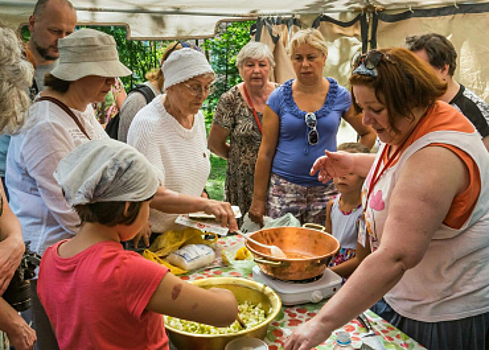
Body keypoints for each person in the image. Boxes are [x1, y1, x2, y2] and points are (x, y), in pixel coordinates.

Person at [285, 47, 489, 350]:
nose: (366, 120)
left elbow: (396, 257)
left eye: (376, 109)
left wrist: (322, 323)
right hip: (408, 300)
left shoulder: (437, 156)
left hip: (441, 314)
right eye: (361, 107)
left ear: (412, 98)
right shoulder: (419, 120)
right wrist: (354, 163)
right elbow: (402, 168)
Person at [37, 139, 238, 350]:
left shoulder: (50, 259)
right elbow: (225, 313)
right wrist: (220, 291)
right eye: (147, 204)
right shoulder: (127, 271)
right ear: (127, 208)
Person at [7, 28, 132, 350]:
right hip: (53, 259)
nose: (111, 84)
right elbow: (68, 208)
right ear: (78, 75)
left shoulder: (82, 108)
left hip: (83, 247)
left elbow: (112, 163)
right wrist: (118, 236)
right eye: (106, 76)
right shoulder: (46, 124)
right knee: (59, 341)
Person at [249, 29, 376, 226]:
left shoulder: (340, 96)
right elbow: (265, 152)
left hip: (325, 190)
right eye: (298, 58)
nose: (305, 64)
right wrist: (258, 199)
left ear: (324, 58)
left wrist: (350, 166)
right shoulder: (278, 97)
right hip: (284, 189)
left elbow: (368, 132)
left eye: (311, 57)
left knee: (320, 250)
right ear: (291, 61)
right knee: (281, 249)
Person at [128, 48, 238, 235]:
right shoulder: (148, 125)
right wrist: (205, 204)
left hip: (187, 229)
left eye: (207, 86)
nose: (202, 95)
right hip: (154, 236)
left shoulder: (198, 118)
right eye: (194, 87)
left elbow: (191, 172)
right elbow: (149, 194)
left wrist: (202, 199)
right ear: (171, 85)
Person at [208, 42, 280, 218]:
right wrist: (240, 158)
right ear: (240, 68)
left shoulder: (282, 95)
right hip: (243, 183)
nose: (256, 70)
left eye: (262, 64)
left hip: (279, 178)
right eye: (249, 65)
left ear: (270, 68)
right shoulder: (230, 100)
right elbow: (214, 144)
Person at [405, 33, 489, 151]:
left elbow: (483, 164)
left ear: (444, 69)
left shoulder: (474, 112)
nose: (412, 76)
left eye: (420, 69)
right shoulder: (409, 103)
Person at [118, 41, 201, 143]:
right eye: (181, 67)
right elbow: (126, 149)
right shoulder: (138, 100)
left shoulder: (189, 104)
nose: (188, 75)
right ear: (164, 64)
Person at [325, 142, 370, 276]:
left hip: (352, 274)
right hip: (331, 268)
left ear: (363, 176)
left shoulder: (364, 213)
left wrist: (326, 274)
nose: (342, 176)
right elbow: (328, 244)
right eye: (338, 171)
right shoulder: (332, 204)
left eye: (350, 172)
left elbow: (361, 260)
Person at [27, 0, 77, 94]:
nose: (62, 40)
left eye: (68, 34)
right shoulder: (7, 68)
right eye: (55, 31)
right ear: (32, 23)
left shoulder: (73, 74)